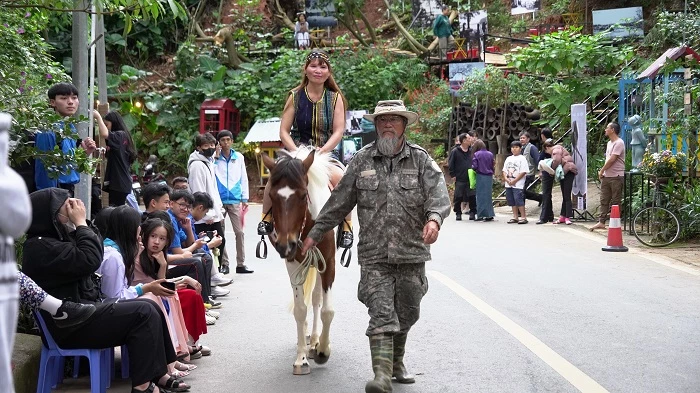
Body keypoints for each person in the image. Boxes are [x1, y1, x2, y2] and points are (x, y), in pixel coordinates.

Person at [301, 100, 451, 393]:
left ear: (404, 125)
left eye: (394, 120)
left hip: (411, 253)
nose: (387, 125)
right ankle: (381, 376)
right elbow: (338, 202)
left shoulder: (421, 160)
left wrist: (434, 220)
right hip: (374, 256)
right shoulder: (361, 160)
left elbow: (438, 195)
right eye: (382, 120)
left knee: (407, 313)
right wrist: (315, 233)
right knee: (382, 314)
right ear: (376, 125)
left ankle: (396, 361)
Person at [21, 188, 182, 393]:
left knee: (149, 305)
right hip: (69, 323)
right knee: (143, 312)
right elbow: (89, 259)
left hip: (81, 313)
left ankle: (159, 373)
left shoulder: (55, 241)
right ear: (50, 214)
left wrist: (81, 224)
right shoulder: (40, 247)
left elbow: (92, 246)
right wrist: (79, 223)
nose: (72, 210)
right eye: (66, 207)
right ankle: (142, 386)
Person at [258, 50, 353, 249]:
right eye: (313, 65)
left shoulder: (336, 99)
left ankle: (346, 226)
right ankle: (266, 217)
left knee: (342, 178)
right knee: (275, 177)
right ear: (305, 69)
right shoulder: (295, 96)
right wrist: (297, 152)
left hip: (326, 153)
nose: (318, 70)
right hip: (296, 151)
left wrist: (322, 151)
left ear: (328, 72)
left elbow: (338, 131)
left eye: (323, 66)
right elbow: (283, 131)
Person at [95, 205, 193, 383]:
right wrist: (144, 289)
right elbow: (114, 297)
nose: (140, 234)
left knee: (156, 298)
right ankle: (160, 369)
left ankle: (168, 360)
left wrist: (153, 281)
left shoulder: (120, 252)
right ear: (129, 230)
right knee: (150, 302)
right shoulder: (114, 257)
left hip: (109, 309)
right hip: (107, 313)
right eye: (138, 229)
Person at [35, 82, 97, 194]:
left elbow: (70, 166)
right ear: (52, 102)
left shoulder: (70, 127)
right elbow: (44, 169)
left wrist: (84, 154)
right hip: (55, 192)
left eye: (74, 98)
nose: (70, 102)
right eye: (64, 98)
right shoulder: (48, 129)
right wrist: (49, 198)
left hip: (68, 190)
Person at [188, 133, 228, 273]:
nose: (210, 148)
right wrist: (207, 214)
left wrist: (218, 208)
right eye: (206, 146)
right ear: (198, 147)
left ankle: (215, 275)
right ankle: (212, 278)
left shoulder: (208, 162)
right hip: (206, 216)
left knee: (218, 243)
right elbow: (199, 192)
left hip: (212, 211)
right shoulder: (197, 165)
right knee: (211, 245)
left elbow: (213, 188)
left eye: (212, 145)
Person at [214, 130, 252, 275]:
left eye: (228, 139)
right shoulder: (215, 159)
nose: (226, 143)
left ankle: (241, 263)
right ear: (219, 143)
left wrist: (245, 198)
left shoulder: (239, 157)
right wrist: (216, 156)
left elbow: (244, 177)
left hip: (235, 199)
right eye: (222, 140)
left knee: (239, 232)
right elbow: (211, 175)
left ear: (232, 141)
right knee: (220, 233)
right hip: (219, 201)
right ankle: (224, 263)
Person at [98, 111, 138, 207]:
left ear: (114, 122)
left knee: (117, 213)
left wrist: (98, 117)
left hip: (119, 183)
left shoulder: (120, 135)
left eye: (107, 124)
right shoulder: (121, 137)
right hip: (119, 183)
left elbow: (104, 134)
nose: (106, 127)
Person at [591, 122, 625, 231]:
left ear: (613, 130)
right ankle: (601, 222)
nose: (605, 130)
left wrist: (602, 170)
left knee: (615, 200)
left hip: (616, 175)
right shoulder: (609, 143)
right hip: (607, 175)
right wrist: (603, 172)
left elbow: (612, 159)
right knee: (604, 199)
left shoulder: (619, 143)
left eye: (607, 128)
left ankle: (615, 223)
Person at [542, 139, 578, 225]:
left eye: (546, 151)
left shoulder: (555, 150)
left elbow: (556, 161)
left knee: (567, 195)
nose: (548, 153)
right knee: (564, 195)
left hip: (568, 171)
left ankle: (568, 217)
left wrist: (552, 170)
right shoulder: (558, 149)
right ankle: (562, 216)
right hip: (565, 172)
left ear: (547, 147)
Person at [448, 133, 475, 220]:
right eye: (468, 139)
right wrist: (453, 174)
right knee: (458, 195)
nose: (470, 140)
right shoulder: (455, 151)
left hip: (470, 176)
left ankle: (472, 212)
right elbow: (451, 163)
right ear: (463, 140)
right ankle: (458, 212)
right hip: (459, 176)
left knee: (472, 195)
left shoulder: (471, 151)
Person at [503, 140, 529, 224]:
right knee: (511, 200)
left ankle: (523, 217)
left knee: (519, 199)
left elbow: (523, 171)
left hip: (518, 184)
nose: (514, 149)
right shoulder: (508, 158)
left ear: (520, 149)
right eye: (513, 147)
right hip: (508, 183)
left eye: (516, 147)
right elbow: (504, 170)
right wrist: (506, 179)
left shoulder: (522, 158)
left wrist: (515, 180)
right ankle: (515, 217)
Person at [471, 139, 495, 221]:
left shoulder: (476, 154)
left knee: (480, 196)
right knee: (488, 196)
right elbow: (492, 164)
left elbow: (474, 166)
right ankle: (489, 214)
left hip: (480, 175)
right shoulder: (490, 154)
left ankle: (480, 215)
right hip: (489, 176)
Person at [519, 131, 542, 205]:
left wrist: (540, 171)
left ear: (528, 139)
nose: (522, 139)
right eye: (521, 138)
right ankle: (540, 197)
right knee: (522, 190)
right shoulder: (520, 149)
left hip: (529, 173)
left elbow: (537, 160)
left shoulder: (532, 148)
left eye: (523, 138)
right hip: (520, 173)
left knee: (521, 190)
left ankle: (520, 210)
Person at [537, 128, 554, 224]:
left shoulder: (548, 144)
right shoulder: (551, 142)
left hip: (547, 170)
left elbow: (543, 157)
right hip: (546, 170)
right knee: (547, 194)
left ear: (543, 135)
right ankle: (550, 215)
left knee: (546, 194)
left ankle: (543, 217)